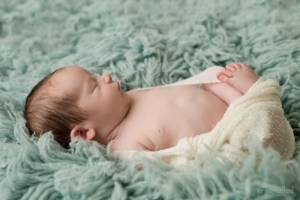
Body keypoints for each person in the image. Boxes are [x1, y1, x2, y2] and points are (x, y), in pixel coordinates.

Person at [24, 63, 259, 151]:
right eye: (94, 86)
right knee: (246, 146)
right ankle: (255, 94)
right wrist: (212, 142)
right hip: (226, 137)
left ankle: (253, 94)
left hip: (233, 107)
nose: (105, 76)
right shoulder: (126, 148)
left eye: (95, 75)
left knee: (214, 77)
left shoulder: (128, 98)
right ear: (84, 133)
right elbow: (174, 168)